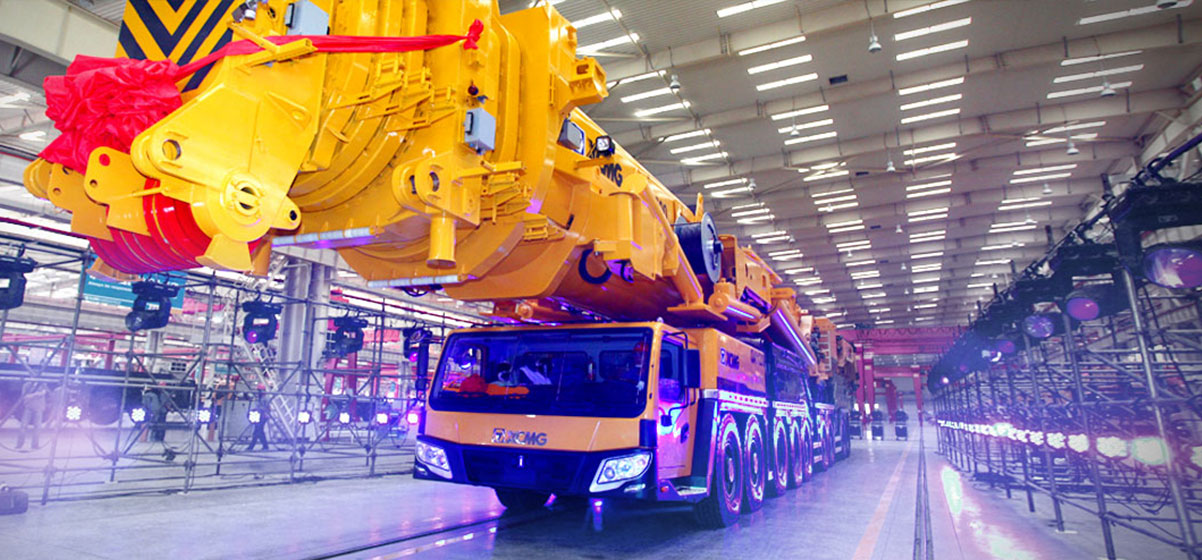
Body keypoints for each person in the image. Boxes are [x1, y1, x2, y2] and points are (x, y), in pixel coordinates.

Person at [16, 382, 48, 449]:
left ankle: (35, 445)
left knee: (37, 427)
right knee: (23, 426)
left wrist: (32, 395)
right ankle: (19, 444)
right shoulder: (26, 385)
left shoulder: (42, 384)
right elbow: (25, 396)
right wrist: (36, 394)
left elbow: (43, 393)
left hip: (39, 408)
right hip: (29, 408)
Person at [248, 387, 271, 451]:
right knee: (258, 431)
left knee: (258, 431)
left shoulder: (265, 398)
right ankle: (263, 446)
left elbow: (268, 407)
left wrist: (266, 413)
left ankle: (254, 446)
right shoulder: (259, 398)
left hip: (263, 416)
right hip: (258, 415)